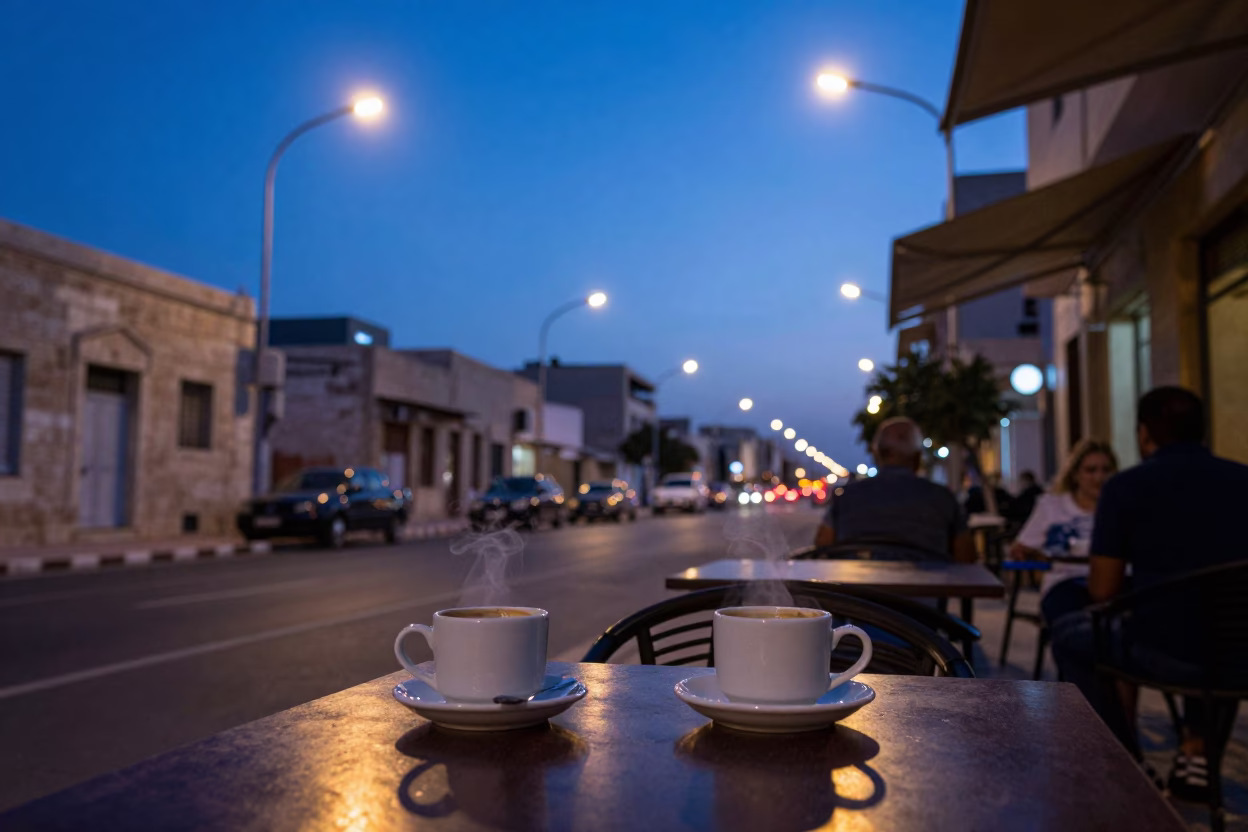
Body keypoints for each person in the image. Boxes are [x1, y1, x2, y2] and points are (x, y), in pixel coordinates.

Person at [1049, 387, 1248, 799]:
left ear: (1144, 434)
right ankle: (1199, 755)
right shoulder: (1242, 480)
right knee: (1220, 627)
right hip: (1238, 651)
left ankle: (1123, 759)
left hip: (1163, 649)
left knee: (1072, 634)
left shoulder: (1127, 487)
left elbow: (1103, 590)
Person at [814, 417, 976, 562]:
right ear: (918, 457)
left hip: (855, 594)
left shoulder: (845, 496)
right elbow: (966, 557)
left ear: (877, 455)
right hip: (920, 595)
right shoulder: (943, 498)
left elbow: (822, 546)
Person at [1007, 439, 1118, 623]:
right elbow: (1019, 548)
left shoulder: (1121, 506)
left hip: (1114, 583)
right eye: (1091, 470)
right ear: (1075, 474)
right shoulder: (1052, 506)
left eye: (1105, 470)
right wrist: (1040, 555)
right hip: (1067, 581)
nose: (1099, 478)